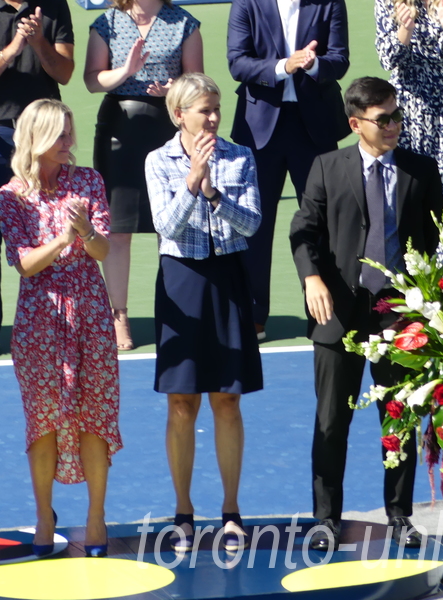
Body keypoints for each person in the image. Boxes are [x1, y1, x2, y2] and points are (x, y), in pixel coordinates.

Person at [289, 76, 443, 551]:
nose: (395, 126)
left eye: (397, 116)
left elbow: (438, 240)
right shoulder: (326, 167)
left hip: (399, 317)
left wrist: (424, 301)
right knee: (331, 422)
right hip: (338, 314)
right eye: (384, 120)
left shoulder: (420, 170)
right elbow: (303, 232)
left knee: (398, 420)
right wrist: (312, 279)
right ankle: (326, 519)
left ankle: (400, 515)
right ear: (356, 123)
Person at [0, 99, 122, 558]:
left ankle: (95, 518)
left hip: (90, 313)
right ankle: (44, 517)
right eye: (61, 135)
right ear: (37, 140)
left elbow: (104, 252)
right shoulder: (11, 194)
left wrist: (87, 233)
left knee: (95, 415)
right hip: (39, 321)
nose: (70, 142)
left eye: (71, 133)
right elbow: (25, 265)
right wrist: (63, 239)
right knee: (43, 420)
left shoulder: (89, 180)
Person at [145, 73, 263, 553]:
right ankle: (183, 512)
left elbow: (251, 223)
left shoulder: (240, 156)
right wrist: (192, 184)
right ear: (179, 115)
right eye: (203, 110)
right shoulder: (158, 161)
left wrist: (215, 192)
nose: (213, 117)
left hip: (229, 279)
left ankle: (231, 511)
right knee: (181, 403)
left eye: (216, 108)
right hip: (182, 281)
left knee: (227, 401)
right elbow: (165, 226)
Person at [0, 0, 75, 359]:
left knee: (50, 231)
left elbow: (65, 72)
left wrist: (39, 43)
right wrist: (13, 50)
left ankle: (52, 324)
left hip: (43, 138)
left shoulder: (53, 6)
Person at [84, 0, 204, 351]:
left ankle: (176, 313)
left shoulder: (185, 22)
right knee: (118, 230)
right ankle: (118, 316)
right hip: (119, 129)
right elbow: (93, 80)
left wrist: (174, 92)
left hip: (169, 128)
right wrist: (125, 71)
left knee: (172, 226)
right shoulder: (106, 22)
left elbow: (196, 81)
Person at [227, 0, 350, 341]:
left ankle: (328, 313)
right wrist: (285, 65)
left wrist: (312, 64)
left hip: (315, 128)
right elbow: (237, 63)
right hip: (259, 129)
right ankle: (253, 316)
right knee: (253, 221)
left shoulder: (329, 3)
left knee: (324, 221)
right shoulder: (247, 4)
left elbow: (339, 60)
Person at [375, 0, 443, 265]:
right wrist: (404, 31)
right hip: (408, 108)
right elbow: (387, 58)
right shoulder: (388, 1)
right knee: (409, 186)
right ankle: (412, 269)